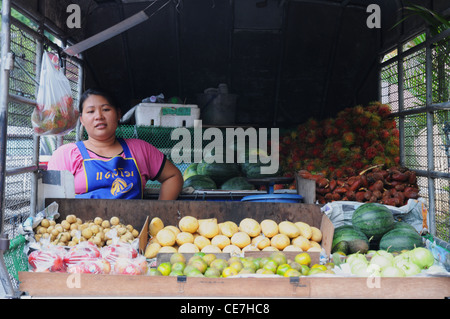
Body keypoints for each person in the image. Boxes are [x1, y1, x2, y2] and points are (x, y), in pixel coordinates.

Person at [47, 88, 183, 200]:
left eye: (106, 109)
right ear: (82, 120)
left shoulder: (140, 149)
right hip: (82, 231)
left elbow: (173, 176)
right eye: (90, 111)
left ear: (118, 114)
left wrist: (159, 214)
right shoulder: (66, 154)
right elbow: (52, 200)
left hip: (132, 231)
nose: (99, 116)